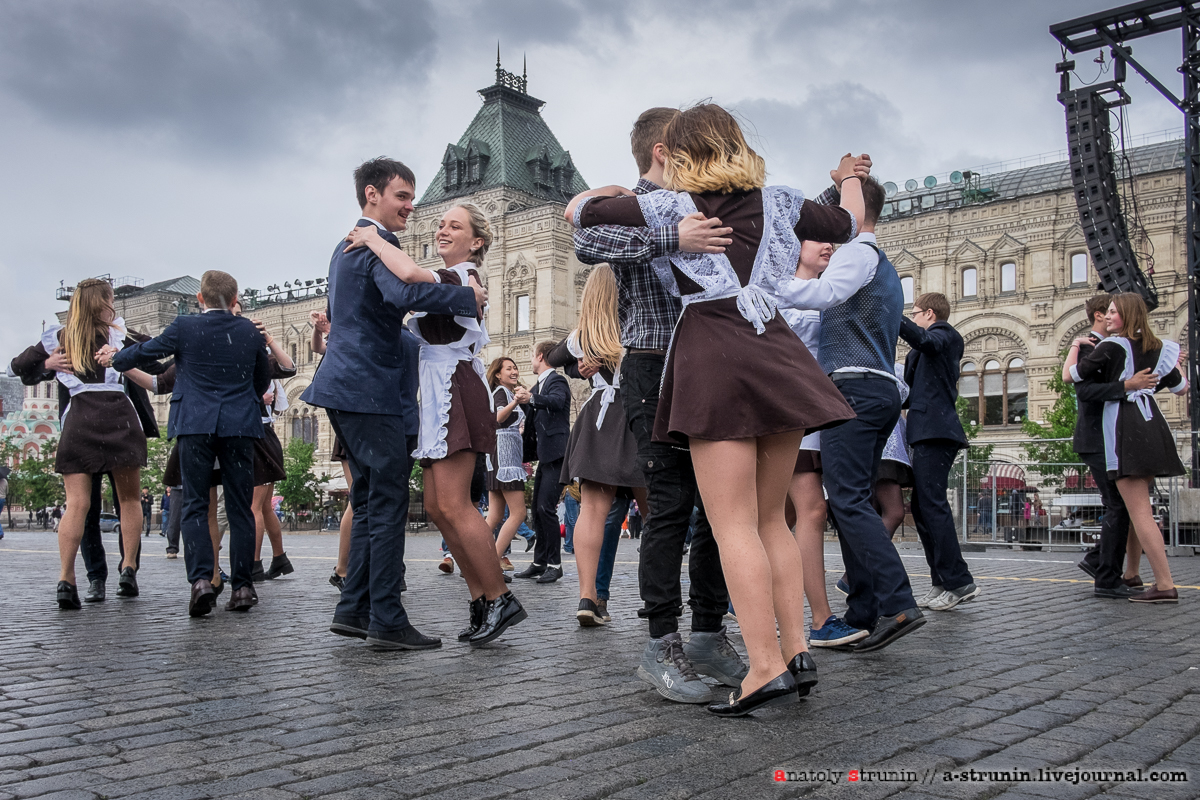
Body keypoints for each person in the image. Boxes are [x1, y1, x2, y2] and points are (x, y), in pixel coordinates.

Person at [569, 104, 862, 716]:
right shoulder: (778, 200)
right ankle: (794, 651)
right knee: (769, 521)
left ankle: (761, 668)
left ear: (673, 153)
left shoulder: (670, 206)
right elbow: (846, 222)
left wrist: (617, 198)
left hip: (711, 351)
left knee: (729, 526)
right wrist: (851, 175)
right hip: (776, 350)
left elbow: (584, 218)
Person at [306, 158, 483, 649]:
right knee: (386, 504)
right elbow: (406, 292)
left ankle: (354, 608)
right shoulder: (374, 246)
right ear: (372, 195)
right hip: (368, 390)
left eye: (411, 196)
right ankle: (386, 617)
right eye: (402, 196)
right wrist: (470, 296)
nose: (411, 205)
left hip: (348, 387)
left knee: (367, 502)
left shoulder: (350, 245)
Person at [342, 199, 526, 646]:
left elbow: (407, 275)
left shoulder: (463, 276)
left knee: (455, 505)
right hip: (439, 389)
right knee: (440, 507)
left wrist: (371, 238)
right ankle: (482, 597)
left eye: (454, 226)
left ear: (476, 241)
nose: (443, 230)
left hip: (454, 388)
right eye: (441, 224)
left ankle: (499, 597)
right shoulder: (453, 279)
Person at [777, 174, 923, 653]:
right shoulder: (881, 265)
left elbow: (818, 297)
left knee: (847, 501)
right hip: (875, 391)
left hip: (856, 390)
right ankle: (862, 609)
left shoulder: (858, 252)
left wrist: (758, 286)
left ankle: (898, 601)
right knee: (851, 498)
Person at [110, 270, 272, 616]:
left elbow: (144, 353)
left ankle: (201, 581)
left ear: (200, 298)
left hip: (195, 424)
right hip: (239, 427)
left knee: (196, 504)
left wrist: (116, 358)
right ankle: (242, 587)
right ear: (234, 298)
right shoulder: (249, 331)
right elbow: (261, 380)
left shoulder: (185, 327)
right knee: (241, 508)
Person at [10, 278, 148, 609]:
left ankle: (65, 578)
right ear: (101, 304)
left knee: (77, 504)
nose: (113, 304)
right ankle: (128, 568)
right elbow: (160, 354)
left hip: (79, 420)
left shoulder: (60, 337)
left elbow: (18, 366)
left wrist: (47, 364)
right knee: (128, 500)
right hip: (118, 417)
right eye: (111, 299)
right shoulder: (121, 336)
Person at [1063, 293, 1187, 604]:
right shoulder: (1160, 348)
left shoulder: (1111, 346)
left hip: (1123, 430)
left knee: (1136, 512)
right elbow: (1180, 386)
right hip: (1151, 428)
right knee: (1133, 510)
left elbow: (1074, 377)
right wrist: (1171, 368)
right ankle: (1129, 573)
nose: (1109, 317)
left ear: (1127, 315)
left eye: (1115, 312)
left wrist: (1077, 348)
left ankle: (1161, 583)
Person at [544, 265, 648, 626]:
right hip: (640, 416)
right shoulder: (640, 320)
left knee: (592, 512)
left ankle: (587, 596)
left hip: (600, 420)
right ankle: (656, 596)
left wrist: (580, 364)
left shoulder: (585, 335)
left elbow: (554, 357)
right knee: (656, 516)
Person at [780, 240, 868, 648]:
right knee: (812, 509)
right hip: (791, 413)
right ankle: (820, 618)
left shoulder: (832, 294)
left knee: (777, 518)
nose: (829, 245)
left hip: (815, 414)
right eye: (816, 237)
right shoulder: (782, 290)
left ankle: (731, 595)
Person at [898, 293, 980, 612]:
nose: (912, 318)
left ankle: (959, 581)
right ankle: (941, 581)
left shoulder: (945, 334)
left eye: (914, 313)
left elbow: (924, 340)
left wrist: (892, 315)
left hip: (936, 430)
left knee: (931, 503)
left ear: (929, 314)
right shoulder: (926, 348)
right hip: (924, 429)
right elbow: (910, 389)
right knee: (921, 507)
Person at [1071, 294, 1155, 598]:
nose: (1110, 316)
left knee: (1123, 506)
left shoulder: (1122, 347)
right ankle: (1106, 574)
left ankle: (1104, 565)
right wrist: (1126, 386)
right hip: (1097, 436)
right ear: (1098, 315)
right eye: (1108, 311)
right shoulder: (1090, 346)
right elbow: (1081, 388)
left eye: (1115, 312)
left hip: (1116, 436)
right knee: (1118, 505)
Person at [513, 341, 572, 583]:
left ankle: (554, 565)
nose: (530, 359)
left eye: (532, 355)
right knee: (538, 509)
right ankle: (539, 562)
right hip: (546, 454)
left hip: (557, 453)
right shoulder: (540, 384)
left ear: (540, 356)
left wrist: (532, 397)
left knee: (546, 509)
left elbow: (557, 402)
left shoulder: (556, 381)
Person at [483, 356, 531, 569]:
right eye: (509, 368)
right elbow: (498, 418)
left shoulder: (505, 392)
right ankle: (491, 560)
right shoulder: (501, 393)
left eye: (515, 367)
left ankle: (477, 559)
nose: (514, 371)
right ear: (498, 374)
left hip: (499, 457)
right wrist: (515, 402)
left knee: (494, 515)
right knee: (518, 513)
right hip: (505, 458)